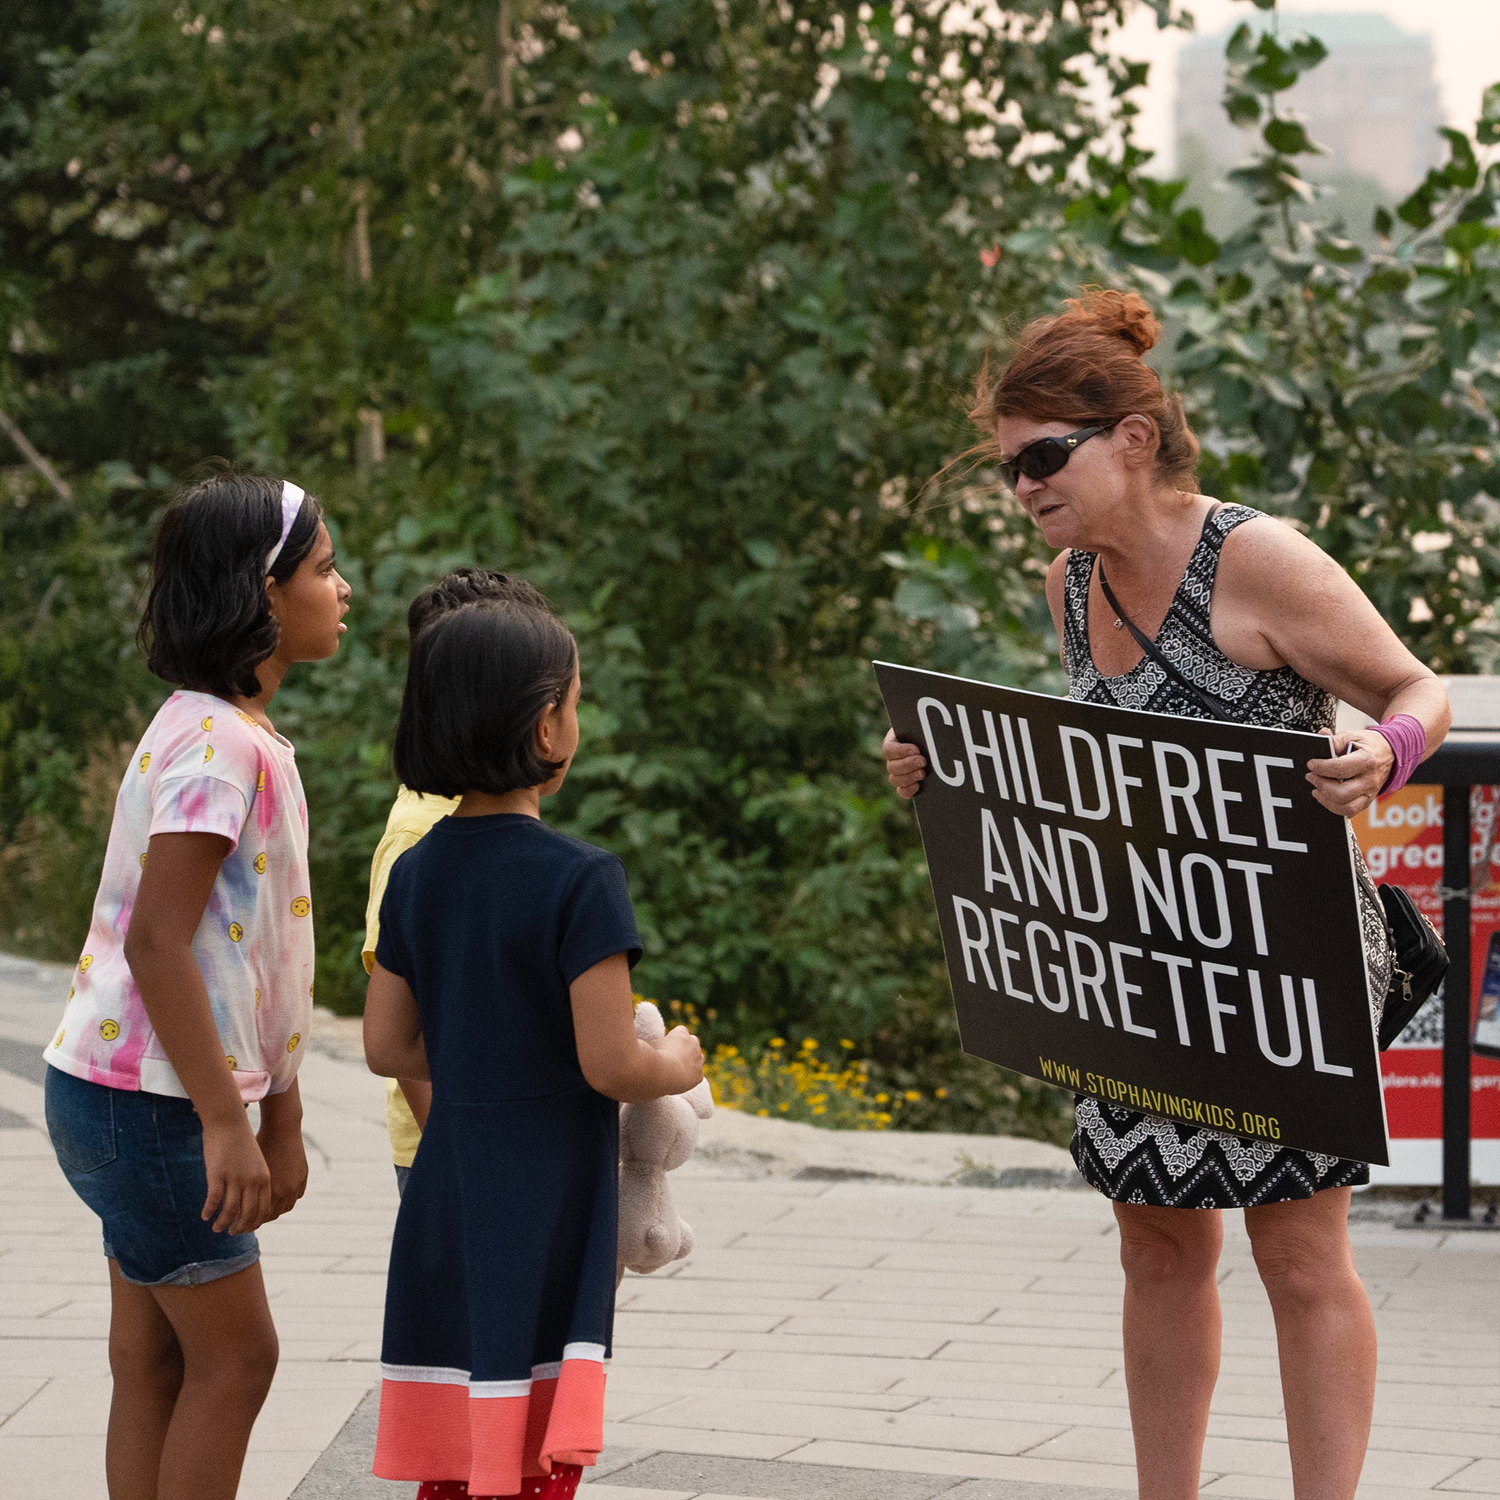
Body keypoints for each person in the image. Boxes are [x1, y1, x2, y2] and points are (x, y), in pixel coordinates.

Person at [882, 288, 1451, 1500]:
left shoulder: (1256, 558)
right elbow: (1097, 768)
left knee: (1299, 1251)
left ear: (1131, 440)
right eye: (1009, 469)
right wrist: (946, 771)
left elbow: (1418, 690)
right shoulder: (1069, 586)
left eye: (1043, 458)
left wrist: (1383, 754)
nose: (1023, 486)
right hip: (1143, 966)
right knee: (1153, 1243)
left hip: (1283, 963)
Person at [42, 472, 352, 1500]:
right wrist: (227, 1121)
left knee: (155, 1357)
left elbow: (260, 959)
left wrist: (283, 1115)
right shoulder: (220, 746)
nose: (342, 589)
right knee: (238, 1359)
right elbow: (157, 944)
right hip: (155, 1108)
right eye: (323, 569)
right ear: (264, 592)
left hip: (118, 1095)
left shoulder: (207, 727)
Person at [364, 591, 704, 1500]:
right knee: (535, 1447)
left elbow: (387, 1043)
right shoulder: (582, 879)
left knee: (459, 1435)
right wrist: (677, 1062)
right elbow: (611, 1062)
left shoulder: (416, 872)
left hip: (448, 1185)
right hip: (548, 1194)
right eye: (575, 702)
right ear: (547, 726)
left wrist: (484, 1053)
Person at [360, 567, 552, 1196]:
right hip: (450, 1148)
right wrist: (457, 1151)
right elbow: (402, 1023)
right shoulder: (420, 834)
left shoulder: (496, 810)